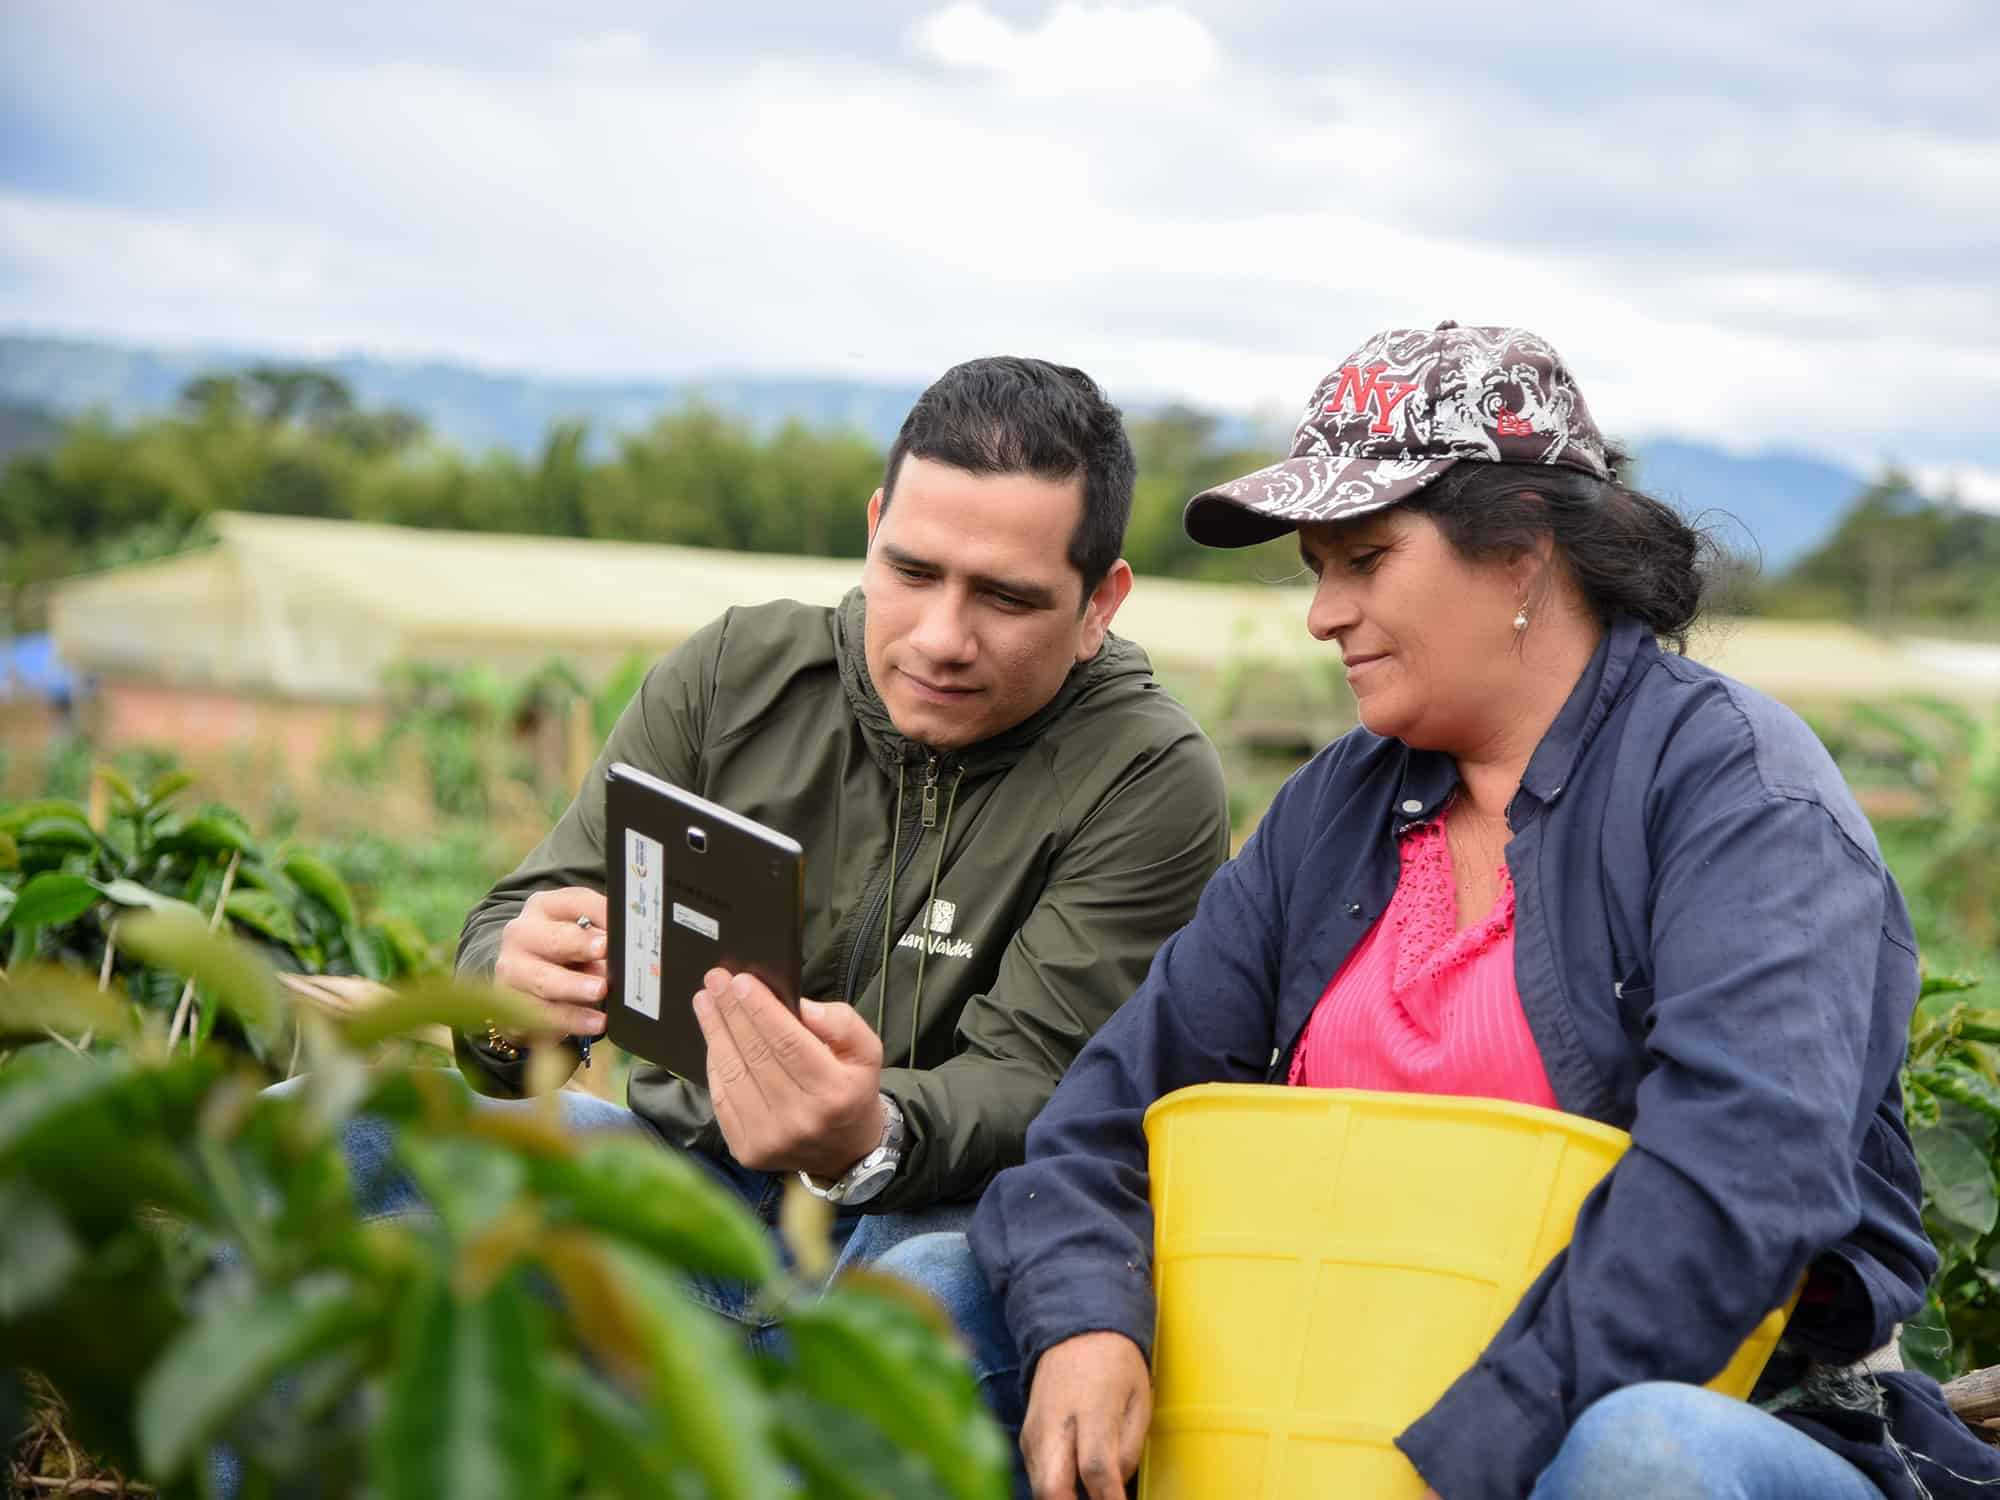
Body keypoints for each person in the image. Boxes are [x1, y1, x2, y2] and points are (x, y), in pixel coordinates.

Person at [883, 323, 2000, 1499]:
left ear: (1518, 553)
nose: (1322, 613)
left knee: (1641, 1456)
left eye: (1361, 561)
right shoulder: (1337, 808)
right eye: (1317, 568)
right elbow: (1104, 1120)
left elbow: (1734, 1192)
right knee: (939, 1294)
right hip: (1324, 1383)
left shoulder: (1732, 794)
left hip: (1684, 1417)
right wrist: (1085, 1321)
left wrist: (1443, 1463)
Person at [452, 354, 1230, 1313]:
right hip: (679, 1170)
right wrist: (512, 991)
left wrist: (873, 1131)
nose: (942, 637)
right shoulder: (734, 674)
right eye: (911, 571)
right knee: (365, 1140)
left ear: (1099, 604)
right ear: (873, 531)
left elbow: (1042, 1080)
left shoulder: (1143, 773)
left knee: (934, 1288)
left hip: (930, 1218)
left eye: (1007, 597)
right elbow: (534, 910)